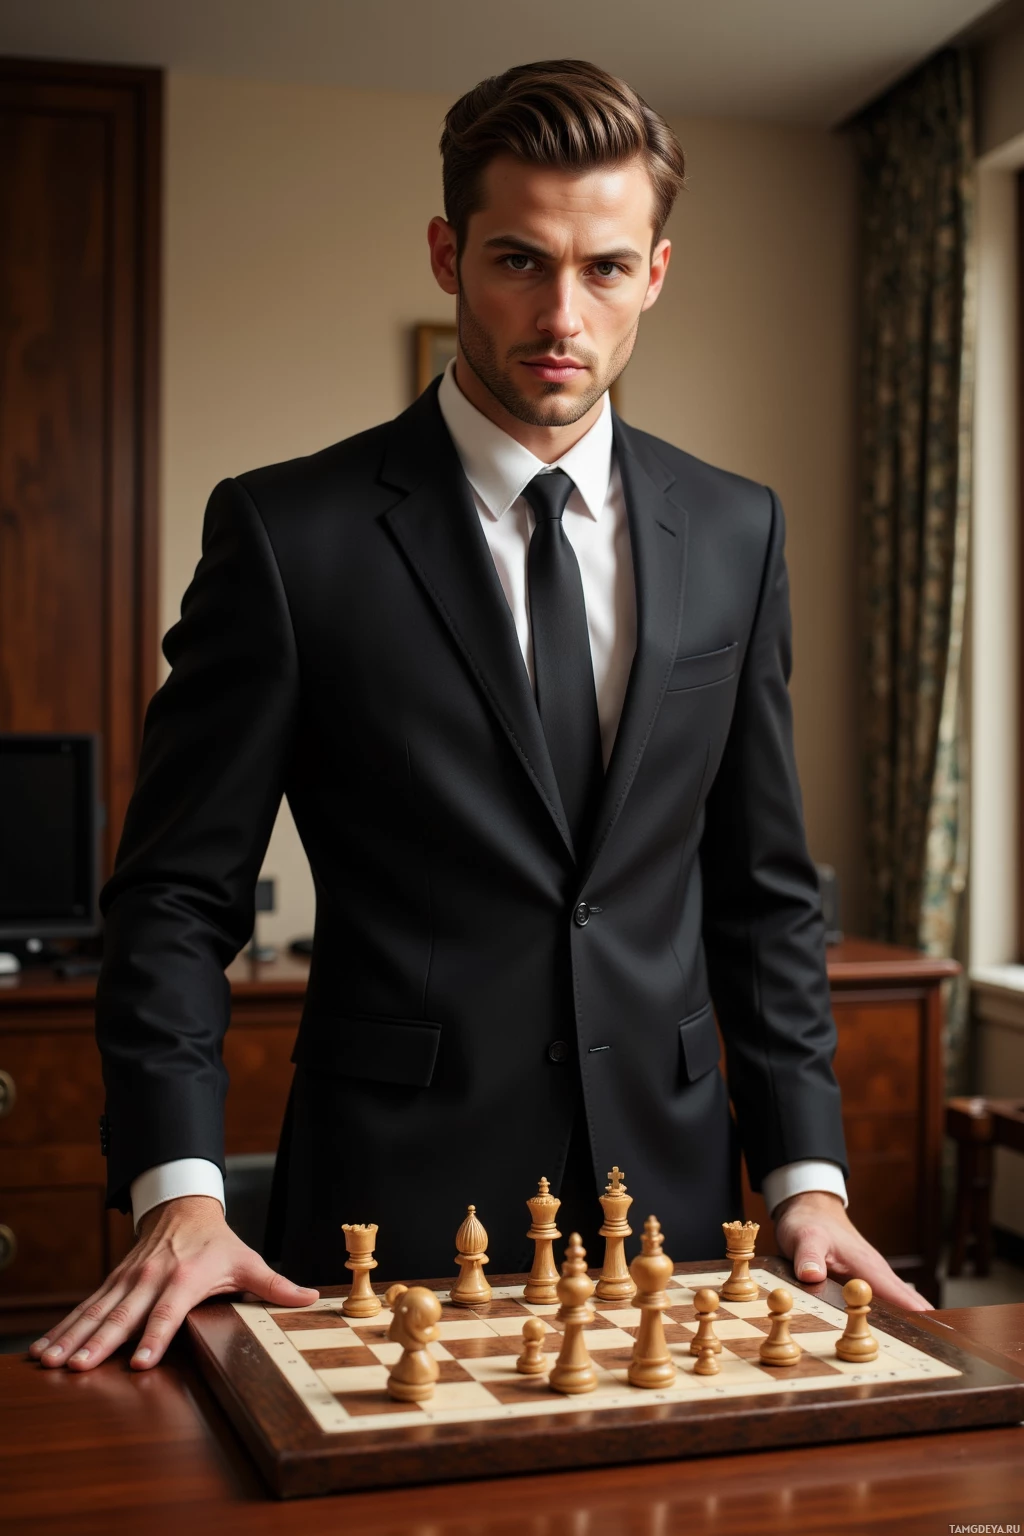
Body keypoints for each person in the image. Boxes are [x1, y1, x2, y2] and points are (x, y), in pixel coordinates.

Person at [33, 58, 930, 1376]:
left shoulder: (739, 529)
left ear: (655, 274)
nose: (562, 315)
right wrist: (177, 1189)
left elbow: (764, 891)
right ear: (449, 254)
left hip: (674, 1207)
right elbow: (174, 896)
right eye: (520, 261)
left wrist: (806, 1173)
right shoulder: (289, 534)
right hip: (385, 1209)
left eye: (605, 269)